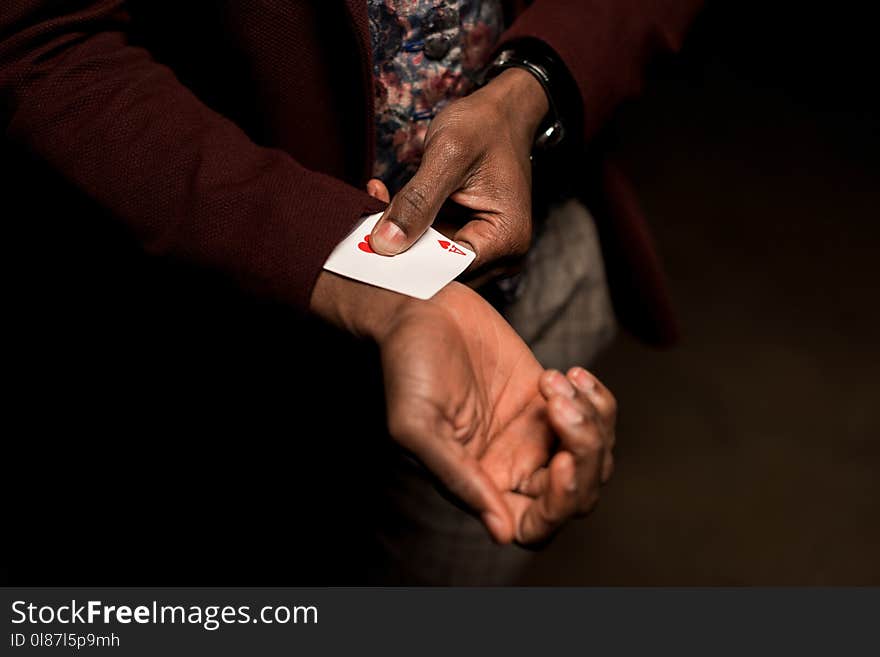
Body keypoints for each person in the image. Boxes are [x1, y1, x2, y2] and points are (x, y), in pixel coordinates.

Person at [0, 1, 702, 584]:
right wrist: (341, 256)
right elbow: (45, 41)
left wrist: (536, 83)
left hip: (530, 303)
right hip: (221, 337)